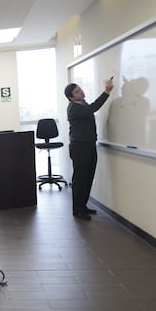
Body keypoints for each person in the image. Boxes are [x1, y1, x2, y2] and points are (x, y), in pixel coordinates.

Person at [64, 79, 114, 220]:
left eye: (80, 89)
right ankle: (77, 209)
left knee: (88, 177)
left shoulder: (82, 104)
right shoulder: (74, 107)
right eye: (77, 91)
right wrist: (107, 92)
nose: (81, 92)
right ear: (71, 97)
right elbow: (94, 107)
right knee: (80, 179)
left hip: (89, 145)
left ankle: (83, 205)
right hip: (80, 147)